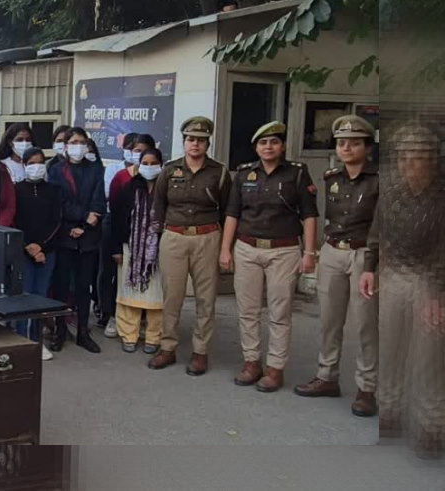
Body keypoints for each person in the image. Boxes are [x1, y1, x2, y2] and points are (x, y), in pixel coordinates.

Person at [220, 121, 319, 393]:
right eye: (263, 143)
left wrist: (310, 253)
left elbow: (310, 215)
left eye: (274, 142)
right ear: (256, 148)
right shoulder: (244, 173)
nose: (268, 147)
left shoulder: (297, 173)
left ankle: (275, 368)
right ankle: (251, 362)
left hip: (283, 250)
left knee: (280, 311)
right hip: (247, 248)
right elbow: (232, 213)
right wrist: (225, 249)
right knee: (247, 310)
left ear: (283, 146)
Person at [291, 115, 379, 416]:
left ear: (368, 147)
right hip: (332, 251)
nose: (347, 148)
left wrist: (373, 264)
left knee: (366, 324)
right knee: (329, 320)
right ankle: (326, 376)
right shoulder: (331, 177)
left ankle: (367, 387)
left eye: (354, 143)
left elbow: (382, 227)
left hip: (364, 253)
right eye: (342, 143)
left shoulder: (380, 180)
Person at [367, 124, 444, 453]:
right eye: (403, 157)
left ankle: (432, 423)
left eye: (417, 156)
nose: (408, 163)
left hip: (429, 279)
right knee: (390, 347)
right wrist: (370, 268)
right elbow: (376, 235)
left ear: (432, 160)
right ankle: (389, 410)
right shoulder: (392, 195)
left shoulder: (440, 198)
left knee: (430, 357)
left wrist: (438, 293)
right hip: (393, 274)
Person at [148, 117, 230, 375]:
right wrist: (160, 234)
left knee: (206, 298)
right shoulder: (170, 170)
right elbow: (159, 204)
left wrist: (226, 245)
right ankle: (168, 347)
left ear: (208, 144)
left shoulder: (219, 172)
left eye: (201, 140)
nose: (196, 144)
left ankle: (200, 351)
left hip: (207, 237)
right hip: (174, 237)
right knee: (172, 296)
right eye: (191, 139)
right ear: (184, 142)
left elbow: (227, 209)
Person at [47, 127, 105, 353]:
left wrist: (84, 226)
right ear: (66, 145)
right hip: (65, 236)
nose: (78, 146)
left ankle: (83, 332)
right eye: (73, 142)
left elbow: (98, 202)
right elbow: (58, 203)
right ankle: (60, 331)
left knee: (83, 286)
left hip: (88, 237)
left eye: (82, 142)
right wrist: (78, 221)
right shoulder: (56, 170)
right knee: (61, 287)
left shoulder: (96, 169)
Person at [110, 146, 166, 354]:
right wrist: (116, 248)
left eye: (154, 163)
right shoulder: (129, 188)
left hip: (159, 251)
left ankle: (154, 337)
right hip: (130, 249)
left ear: (161, 165)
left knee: (157, 296)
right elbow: (116, 219)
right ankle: (128, 334)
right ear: (139, 165)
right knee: (129, 294)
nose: (149, 167)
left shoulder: (167, 190)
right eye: (145, 163)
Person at [99, 133, 154, 338]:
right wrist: (116, 246)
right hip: (116, 227)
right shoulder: (120, 175)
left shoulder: (158, 176)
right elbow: (114, 208)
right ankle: (110, 315)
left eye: (144, 151)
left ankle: (142, 318)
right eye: (136, 150)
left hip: (145, 234)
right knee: (111, 273)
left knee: (140, 276)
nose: (140, 155)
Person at [13, 146, 63, 358]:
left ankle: (36, 341)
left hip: (46, 252)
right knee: (22, 297)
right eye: (31, 163)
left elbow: (57, 221)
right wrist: (28, 246)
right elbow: (14, 220)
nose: (37, 167)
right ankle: (20, 340)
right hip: (22, 251)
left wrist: (42, 247)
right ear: (24, 165)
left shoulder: (54, 190)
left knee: (39, 297)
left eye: (40, 162)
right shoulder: (16, 189)